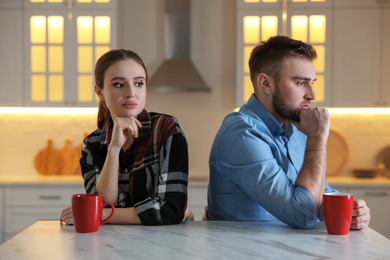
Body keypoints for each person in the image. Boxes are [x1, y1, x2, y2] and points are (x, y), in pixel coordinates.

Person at [206, 35, 371, 229]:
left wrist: (349, 211)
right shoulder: (242, 133)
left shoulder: (295, 127)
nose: (312, 94)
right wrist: (317, 139)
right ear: (265, 84)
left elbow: (317, 193)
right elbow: (302, 214)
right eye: (301, 83)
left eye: (312, 82)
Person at [60, 49, 189, 225]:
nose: (131, 93)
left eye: (138, 83)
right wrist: (113, 149)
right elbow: (105, 202)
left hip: (161, 245)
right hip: (108, 245)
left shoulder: (166, 129)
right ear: (100, 92)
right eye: (119, 84)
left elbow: (170, 210)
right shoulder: (92, 144)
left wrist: (104, 215)